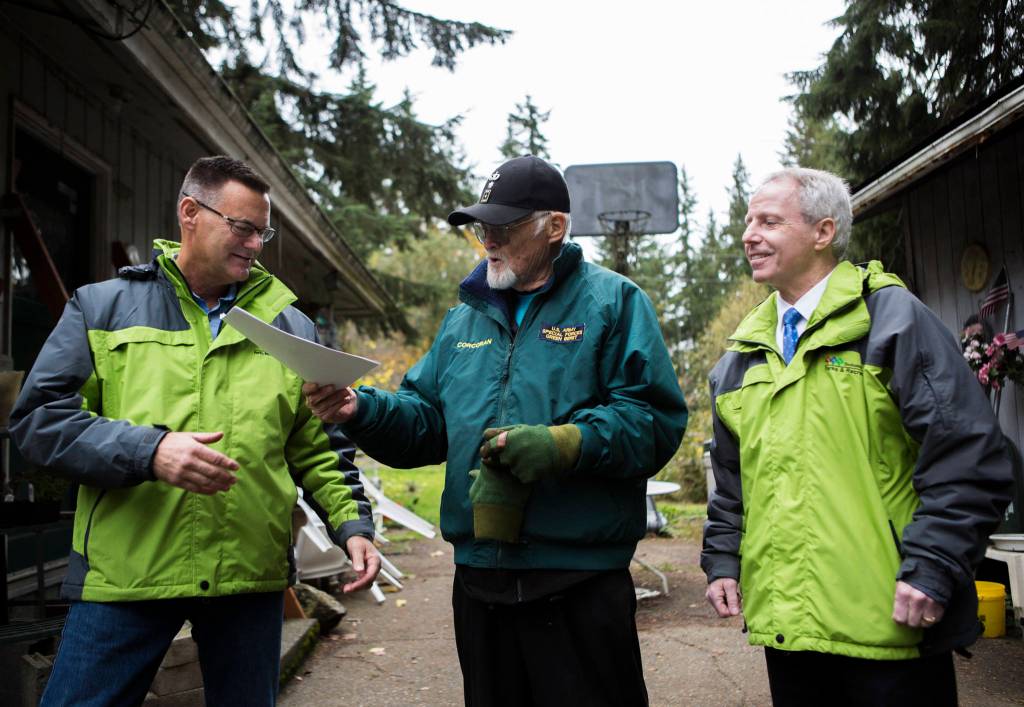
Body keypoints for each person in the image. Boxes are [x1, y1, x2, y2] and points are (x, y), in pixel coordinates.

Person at [303, 154, 688, 706]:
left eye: (505, 228)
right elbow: (427, 422)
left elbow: (653, 419)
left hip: (577, 583)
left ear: (555, 227)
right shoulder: (465, 318)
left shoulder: (614, 302)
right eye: (483, 227)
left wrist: (565, 444)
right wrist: (357, 410)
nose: (489, 240)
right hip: (480, 583)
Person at [10, 156, 380, 706]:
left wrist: (352, 524)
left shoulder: (289, 326)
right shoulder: (101, 308)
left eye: (263, 231)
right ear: (190, 212)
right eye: (243, 228)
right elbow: (39, 421)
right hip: (127, 573)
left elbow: (317, 444)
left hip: (247, 579)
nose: (256, 245)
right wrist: (150, 450)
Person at [700, 167, 1013, 706]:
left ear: (824, 232)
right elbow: (733, 481)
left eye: (769, 221)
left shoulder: (892, 322)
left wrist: (934, 566)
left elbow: (967, 454)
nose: (749, 234)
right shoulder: (740, 358)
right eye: (748, 221)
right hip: (790, 628)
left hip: (891, 623)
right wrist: (723, 560)